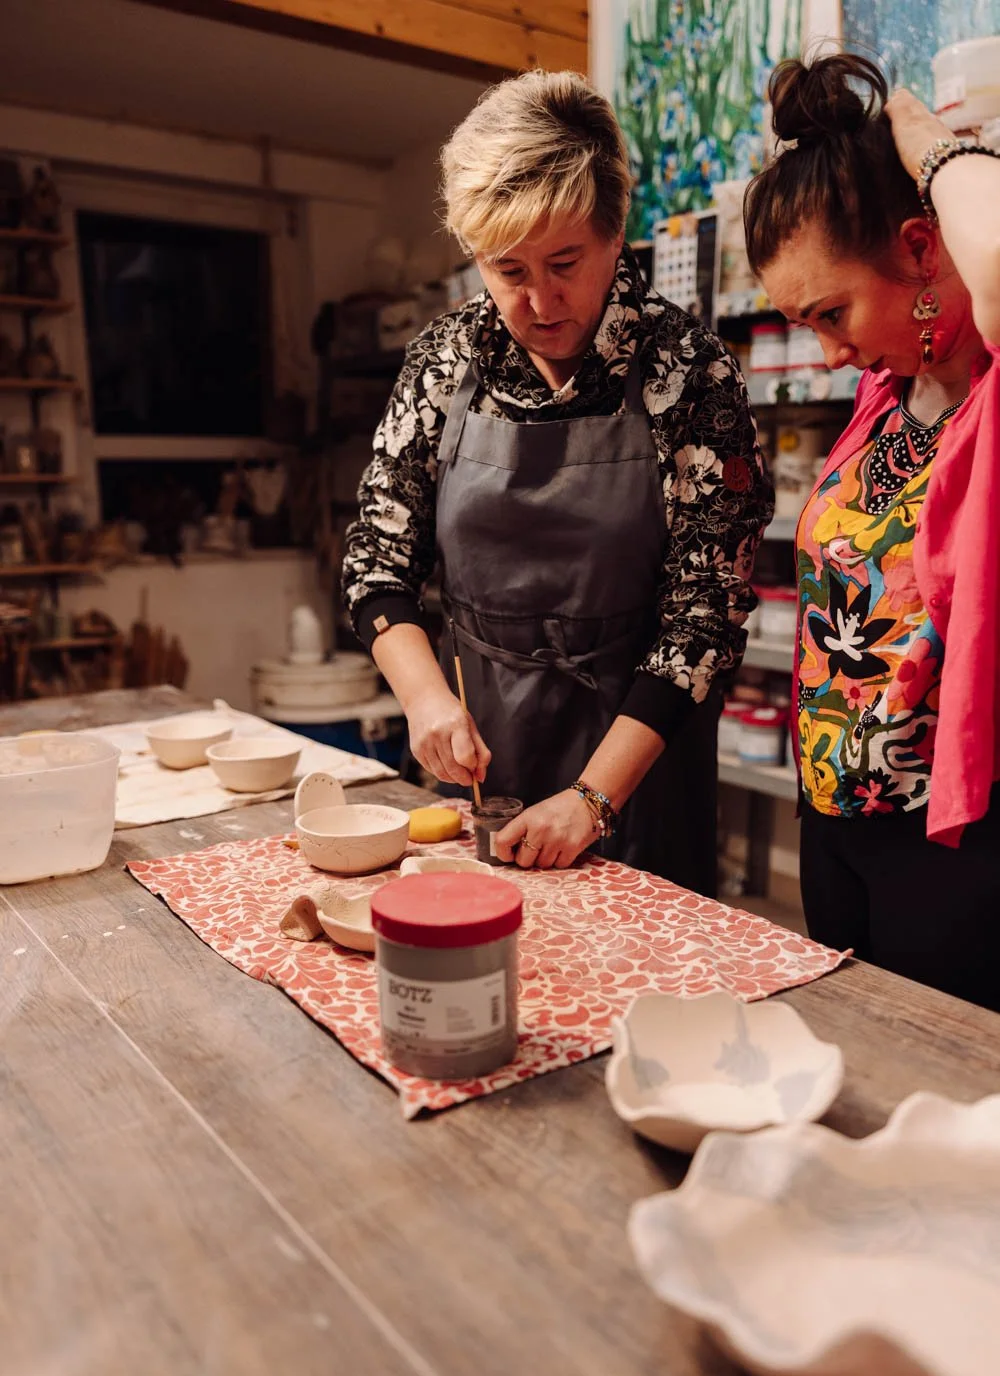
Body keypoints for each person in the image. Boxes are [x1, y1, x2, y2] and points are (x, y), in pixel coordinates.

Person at [342, 70, 772, 893]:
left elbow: (706, 613)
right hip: (481, 748)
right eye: (506, 270)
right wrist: (428, 701)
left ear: (617, 235)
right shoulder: (446, 358)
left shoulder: (687, 370)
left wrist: (593, 799)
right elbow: (377, 559)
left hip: (637, 755)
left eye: (566, 261)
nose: (540, 300)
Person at [744, 53, 1000, 1007]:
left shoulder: (993, 398)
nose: (830, 350)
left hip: (956, 841)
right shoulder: (883, 398)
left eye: (833, 312)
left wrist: (928, 140)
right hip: (836, 815)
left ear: (924, 251)